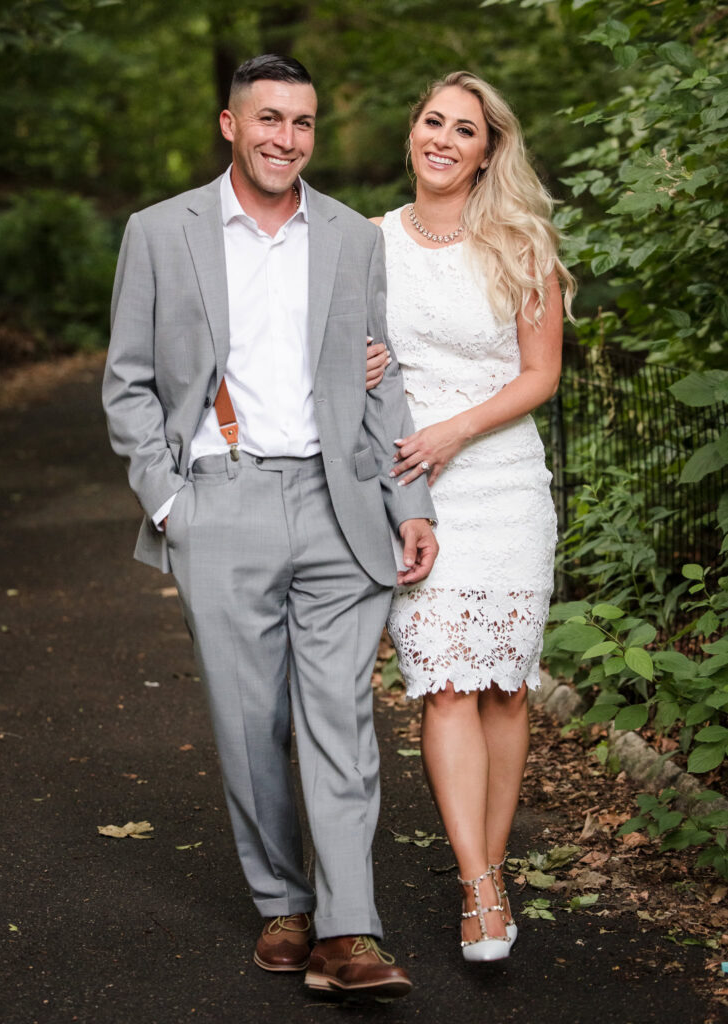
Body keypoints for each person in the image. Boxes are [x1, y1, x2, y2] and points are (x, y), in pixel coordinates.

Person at [102, 54, 438, 999]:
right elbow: (127, 380)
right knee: (249, 724)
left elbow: (382, 375)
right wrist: (171, 501)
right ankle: (282, 904)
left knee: (337, 719)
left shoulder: (347, 237)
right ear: (229, 125)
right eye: (269, 119)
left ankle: (348, 929)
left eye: (302, 122)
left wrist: (409, 504)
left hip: (340, 506)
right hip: (222, 499)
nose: (285, 138)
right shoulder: (160, 232)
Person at [369, 71, 574, 962]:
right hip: (416, 488)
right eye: (431, 122)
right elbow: (345, 355)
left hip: (502, 483)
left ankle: (483, 873)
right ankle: (481, 887)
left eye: (465, 129)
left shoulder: (520, 242)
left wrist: (455, 428)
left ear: (488, 149)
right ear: (411, 132)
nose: (444, 139)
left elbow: (539, 376)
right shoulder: (366, 242)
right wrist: (366, 366)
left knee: (502, 686)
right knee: (445, 680)